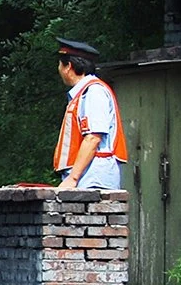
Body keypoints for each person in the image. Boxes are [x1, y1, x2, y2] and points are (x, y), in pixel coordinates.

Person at [53, 38, 128, 190]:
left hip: (94, 180)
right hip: (87, 178)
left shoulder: (93, 92)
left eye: (60, 64)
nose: (59, 69)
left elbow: (93, 137)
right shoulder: (83, 93)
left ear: (69, 67)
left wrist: (73, 178)